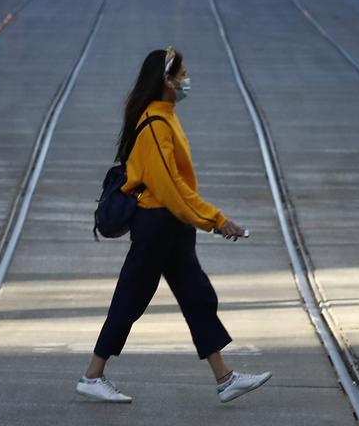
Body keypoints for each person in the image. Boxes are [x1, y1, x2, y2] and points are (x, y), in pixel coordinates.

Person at [78, 47, 271, 405]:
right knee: (131, 299)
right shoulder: (154, 124)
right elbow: (171, 187)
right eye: (181, 76)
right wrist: (216, 220)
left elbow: (175, 185)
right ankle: (92, 374)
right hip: (157, 223)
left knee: (197, 295)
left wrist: (201, 219)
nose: (186, 82)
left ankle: (225, 378)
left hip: (172, 224)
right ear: (166, 81)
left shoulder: (165, 116)